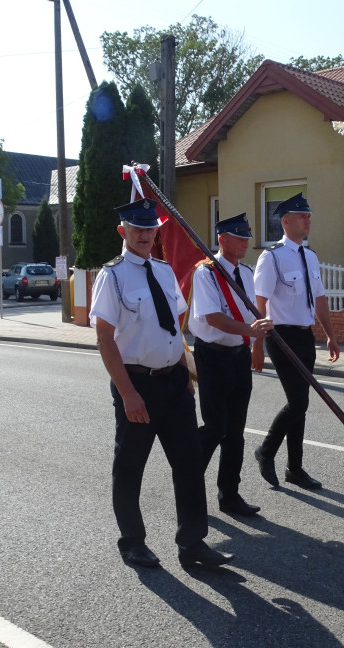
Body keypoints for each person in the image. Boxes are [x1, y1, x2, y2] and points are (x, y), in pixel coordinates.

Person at [90, 198, 232, 570]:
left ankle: (193, 543)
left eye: (150, 228)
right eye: (137, 228)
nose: (144, 234)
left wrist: (185, 373)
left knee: (188, 464)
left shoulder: (165, 271)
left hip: (174, 383)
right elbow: (105, 339)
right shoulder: (113, 276)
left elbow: (176, 329)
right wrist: (128, 394)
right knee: (130, 466)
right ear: (123, 231)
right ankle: (133, 542)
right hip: (138, 384)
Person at [252, 193, 339, 490]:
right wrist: (257, 343)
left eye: (309, 216)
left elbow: (320, 298)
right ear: (285, 221)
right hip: (280, 336)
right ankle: (265, 451)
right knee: (298, 401)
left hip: (304, 336)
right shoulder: (272, 257)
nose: (308, 220)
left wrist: (329, 334)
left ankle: (295, 469)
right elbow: (259, 303)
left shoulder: (310, 256)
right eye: (303, 216)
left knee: (300, 404)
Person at [188, 213, 273, 516]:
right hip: (212, 356)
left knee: (235, 431)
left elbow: (255, 317)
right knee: (215, 427)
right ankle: (188, 485)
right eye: (239, 236)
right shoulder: (206, 274)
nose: (246, 241)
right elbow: (213, 318)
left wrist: (256, 344)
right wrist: (249, 332)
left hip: (238, 356)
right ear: (222, 240)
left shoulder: (247, 274)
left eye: (247, 236)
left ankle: (229, 494)